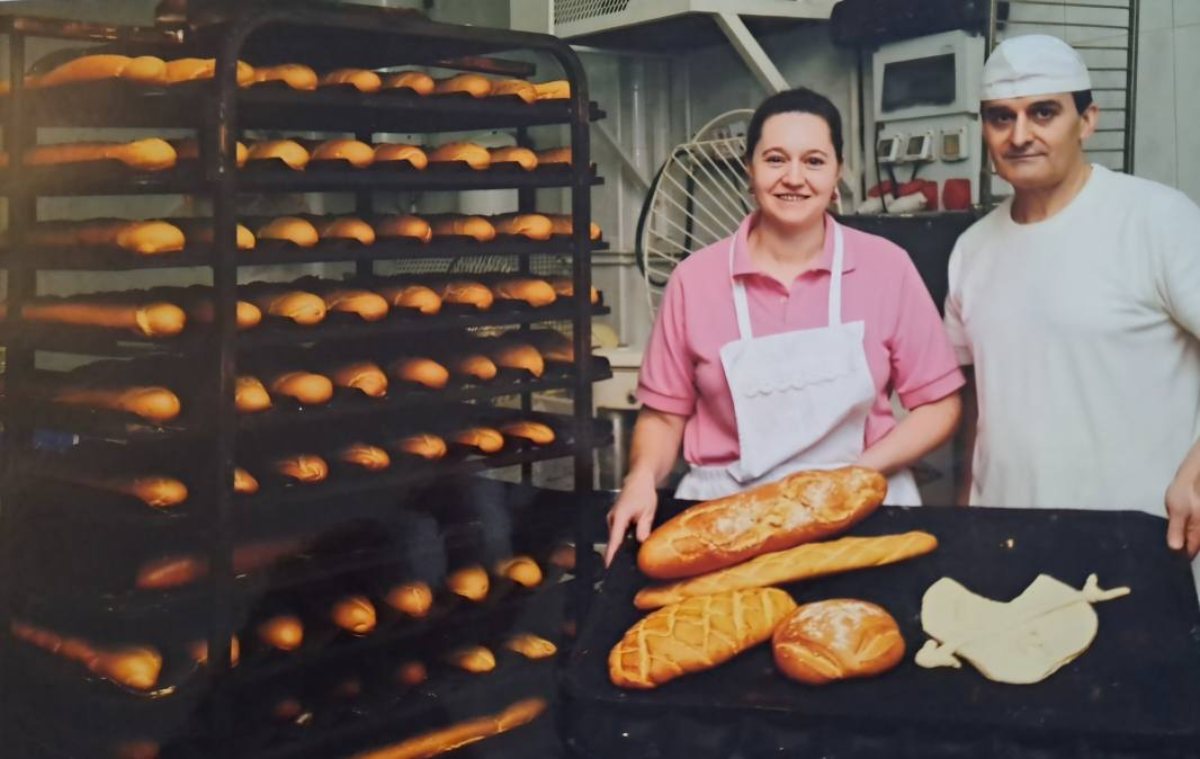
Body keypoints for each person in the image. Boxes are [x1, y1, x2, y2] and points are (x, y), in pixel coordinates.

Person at [605, 87, 965, 566]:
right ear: (750, 170)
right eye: (775, 159)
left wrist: (852, 477)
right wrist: (640, 478)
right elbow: (665, 415)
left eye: (814, 161)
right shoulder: (696, 280)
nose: (793, 178)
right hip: (730, 517)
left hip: (862, 506)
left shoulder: (886, 267)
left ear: (837, 173)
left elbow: (938, 405)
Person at [944, 35, 1200, 588]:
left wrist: (1198, 474)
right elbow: (973, 397)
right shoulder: (971, 249)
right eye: (999, 118)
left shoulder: (1157, 221)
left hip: (1141, 540)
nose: (1019, 136)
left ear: (1086, 120)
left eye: (1043, 113)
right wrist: (967, 508)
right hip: (1007, 540)